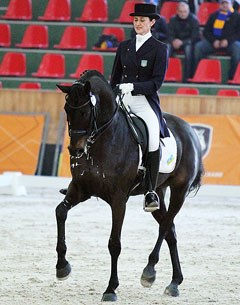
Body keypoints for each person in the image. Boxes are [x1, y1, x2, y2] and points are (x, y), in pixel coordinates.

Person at [110, 3, 169, 212]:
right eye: (135, 20)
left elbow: (156, 83)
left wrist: (133, 86)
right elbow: (114, 77)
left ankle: (151, 191)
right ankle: (84, 178)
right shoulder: (124, 46)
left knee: (153, 136)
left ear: (152, 23)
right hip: (122, 98)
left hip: (144, 101)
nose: (138, 23)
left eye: (142, 20)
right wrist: (113, 94)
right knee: (98, 124)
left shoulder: (160, 48)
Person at [194, 0, 240, 81]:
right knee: (199, 47)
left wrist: (228, 41)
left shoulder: (237, 16)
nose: (225, 5)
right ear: (219, 4)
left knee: (237, 48)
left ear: (231, 4)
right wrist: (214, 41)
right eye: (222, 3)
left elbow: (238, 33)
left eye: (227, 3)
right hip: (214, 43)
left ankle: (232, 77)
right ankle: (198, 73)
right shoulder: (213, 16)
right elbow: (206, 32)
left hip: (230, 43)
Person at [168, 1, 201, 82]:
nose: (183, 14)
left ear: (188, 11)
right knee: (166, 47)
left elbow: (195, 37)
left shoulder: (194, 20)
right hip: (175, 42)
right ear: (177, 11)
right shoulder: (173, 19)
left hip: (188, 43)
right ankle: (166, 74)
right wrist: (173, 41)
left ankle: (188, 77)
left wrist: (182, 42)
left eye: (185, 11)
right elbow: (169, 34)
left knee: (189, 49)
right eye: (181, 11)